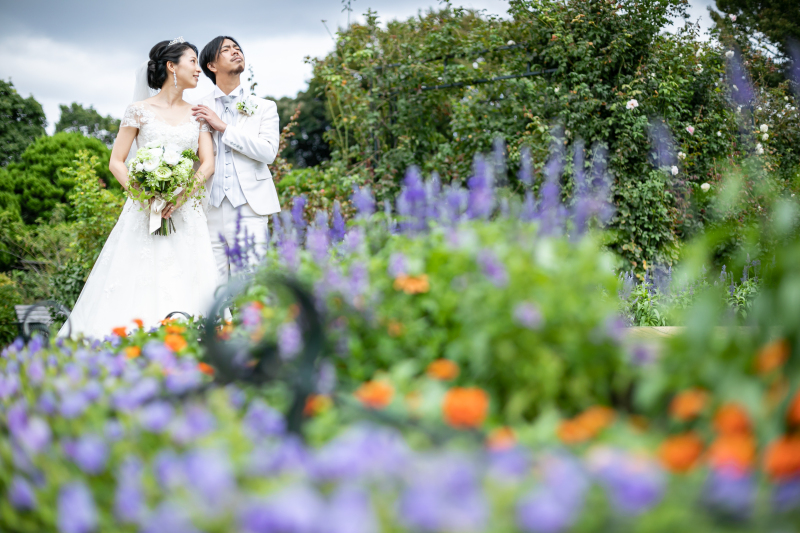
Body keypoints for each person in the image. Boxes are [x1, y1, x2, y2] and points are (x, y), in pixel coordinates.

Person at [59, 38, 218, 339]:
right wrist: (146, 197)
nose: (198, 69)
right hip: (143, 211)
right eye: (192, 61)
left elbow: (207, 163)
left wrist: (180, 197)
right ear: (172, 66)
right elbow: (116, 162)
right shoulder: (138, 111)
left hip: (186, 213)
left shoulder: (198, 114)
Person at [192, 36, 281, 285]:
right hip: (207, 209)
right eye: (227, 49)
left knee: (251, 284)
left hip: (250, 208)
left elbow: (268, 152)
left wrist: (223, 127)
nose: (236, 52)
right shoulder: (197, 108)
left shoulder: (264, 107)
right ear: (211, 65)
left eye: (237, 48)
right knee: (211, 287)